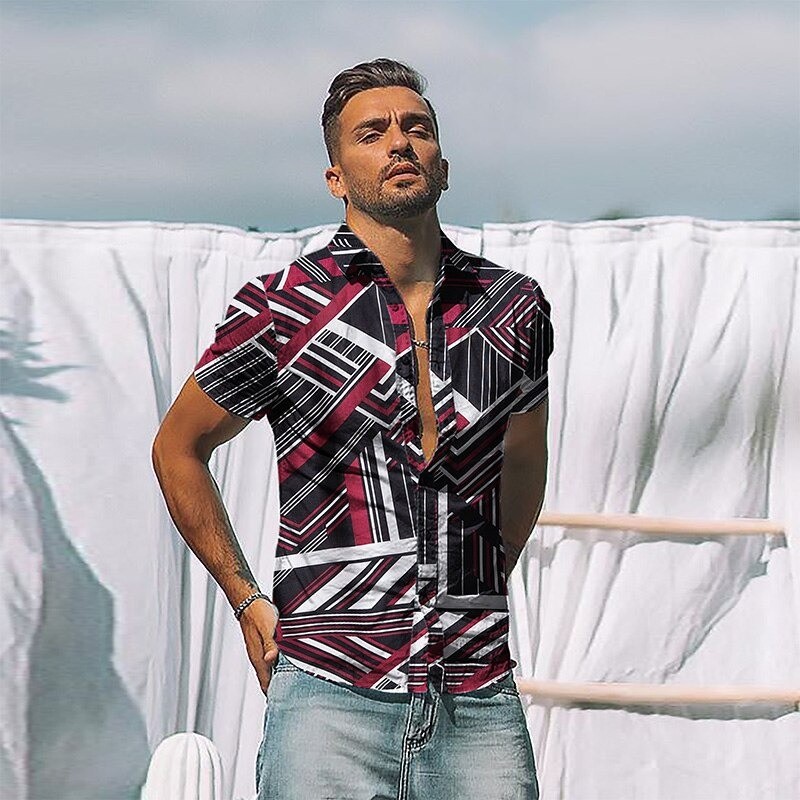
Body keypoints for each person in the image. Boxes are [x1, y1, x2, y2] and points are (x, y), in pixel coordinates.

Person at [152, 58, 553, 800]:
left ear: (442, 164)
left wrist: (487, 575)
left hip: (478, 692)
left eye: (417, 128)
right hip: (329, 690)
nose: (400, 142)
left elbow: (525, 460)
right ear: (336, 176)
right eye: (372, 133)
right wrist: (246, 600)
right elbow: (179, 449)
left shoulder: (512, 306)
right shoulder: (283, 307)